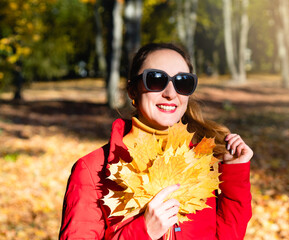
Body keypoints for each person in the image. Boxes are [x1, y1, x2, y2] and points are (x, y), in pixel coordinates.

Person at [59, 43, 253, 240]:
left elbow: (230, 235)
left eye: (182, 82)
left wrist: (234, 172)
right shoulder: (93, 169)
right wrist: (143, 231)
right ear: (132, 90)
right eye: (156, 79)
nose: (170, 93)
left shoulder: (202, 160)